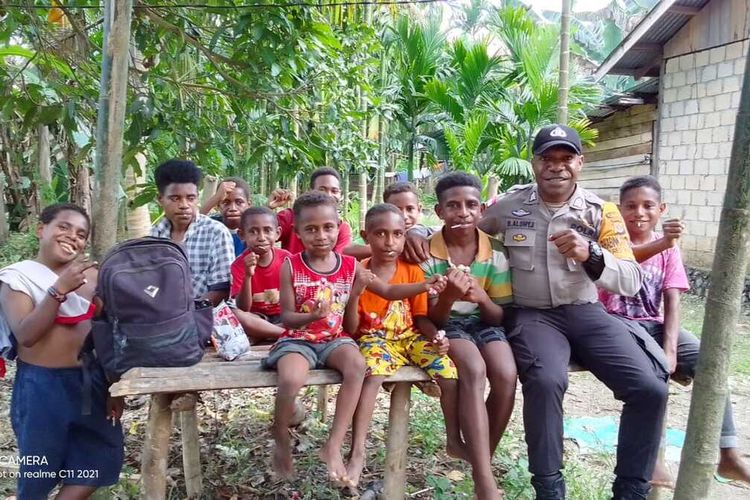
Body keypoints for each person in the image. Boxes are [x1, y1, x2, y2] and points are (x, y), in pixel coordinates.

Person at [472, 125, 668, 500]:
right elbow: (465, 233)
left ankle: (630, 490)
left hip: (585, 311)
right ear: (534, 164)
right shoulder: (509, 208)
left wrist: (590, 254)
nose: (557, 167)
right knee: (545, 382)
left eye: (566, 159)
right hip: (532, 315)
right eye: (548, 158)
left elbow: (630, 280)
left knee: (649, 388)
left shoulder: (602, 213)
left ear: (580, 162)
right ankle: (549, 489)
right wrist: (418, 235)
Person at [262, 192, 443, 483]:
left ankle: (333, 446)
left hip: (335, 339)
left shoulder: (350, 266)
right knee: (291, 378)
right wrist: (311, 316)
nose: (321, 235)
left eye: (328, 227)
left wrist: (425, 284)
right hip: (299, 339)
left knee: (358, 366)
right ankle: (281, 435)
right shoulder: (291, 266)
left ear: (338, 228)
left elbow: (388, 291)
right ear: (296, 232)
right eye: (311, 229)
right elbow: (286, 317)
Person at [599, 175, 750, 487]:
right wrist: (662, 357)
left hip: (653, 325)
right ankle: (651, 458)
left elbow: (672, 299)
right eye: (630, 206)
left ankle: (729, 454)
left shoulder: (669, 250)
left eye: (647, 205)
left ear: (661, 209)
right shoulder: (610, 242)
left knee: (709, 360)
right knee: (651, 373)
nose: (638, 212)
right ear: (618, 209)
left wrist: (671, 349)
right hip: (615, 325)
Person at [0, 203, 124, 499]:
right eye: (64, 227)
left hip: (90, 380)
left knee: (99, 459)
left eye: (81, 234)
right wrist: (58, 291)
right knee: (39, 471)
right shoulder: (16, 278)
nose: (72, 236)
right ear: (41, 230)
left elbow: (106, 335)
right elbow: (27, 335)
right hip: (40, 387)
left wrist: (113, 387)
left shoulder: (91, 277)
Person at [345, 204, 459, 489]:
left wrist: (436, 337)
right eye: (380, 234)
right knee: (374, 374)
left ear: (405, 236)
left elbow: (420, 317)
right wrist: (425, 286)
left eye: (397, 234)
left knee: (447, 369)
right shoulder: (361, 272)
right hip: (373, 339)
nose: (389, 242)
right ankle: (357, 451)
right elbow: (358, 320)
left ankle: (454, 439)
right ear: (365, 236)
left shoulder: (411, 269)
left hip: (408, 338)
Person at [419, 172, 514, 500]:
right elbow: (428, 317)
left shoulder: (496, 252)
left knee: (505, 374)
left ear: (482, 209)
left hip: (487, 323)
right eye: (453, 205)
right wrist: (447, 297)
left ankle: (481, 462)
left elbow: (500, 314)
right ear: (439, 210)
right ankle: (485, 482)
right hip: (448, 327)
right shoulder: (427, 253)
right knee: (473, 369)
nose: (463, 212)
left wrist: (481, 298)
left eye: (471, 205)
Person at [150, 159, 235, 305]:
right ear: (160, 199)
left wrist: (185, 313)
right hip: (164, 315)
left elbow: (222, 290)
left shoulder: (215, 232)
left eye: (190, 198)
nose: (184, 205)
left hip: (209, 314)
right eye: (175, 198)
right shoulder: (153, 236)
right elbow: (151, 286)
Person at [269, 167, 371, 259]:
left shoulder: (342, 227)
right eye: (322, 189)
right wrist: (268, 208)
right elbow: (260, 234)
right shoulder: (290, 217)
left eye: (334, 191)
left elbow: (339, 258)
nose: (328, 195)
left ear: (340, 194)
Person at [230, 206, 289, 343]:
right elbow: (243, 308)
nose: (261, 238)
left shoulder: (287, 259)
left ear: (277, 233)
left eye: (267, 230)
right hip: (257, 317)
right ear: (242, 235)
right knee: (235, 314)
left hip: (285, 315)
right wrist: (247, 275)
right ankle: (283, 333)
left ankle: (262, 333)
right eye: (253, 232)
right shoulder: (239, 265)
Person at [200, 177, 252, 257]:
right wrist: (216, 197)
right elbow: (191, 224)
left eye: (239, 202)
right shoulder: (212, 226)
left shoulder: (253, 229)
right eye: (226, 202)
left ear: (249, 205)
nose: (233, 208)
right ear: (218, 205)